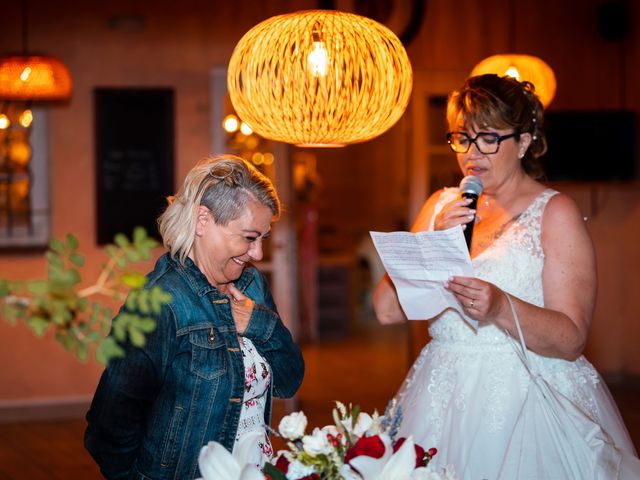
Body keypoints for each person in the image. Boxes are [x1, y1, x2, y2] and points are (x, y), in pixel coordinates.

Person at [372, 74, 640, 479]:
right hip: (442, 388)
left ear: (525, 141)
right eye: (463, 138)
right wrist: (431, 242)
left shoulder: (555, 212)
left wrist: (499, 306)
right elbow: (386, 311)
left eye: (489, 138)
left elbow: (571, 339)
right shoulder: (440, 204)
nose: (472, 153)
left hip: (527, 395)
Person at [85, 155, 305, 479]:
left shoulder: (251, 284)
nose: (258, 253)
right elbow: (108, 430)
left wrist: (259, 323)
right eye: (249, 237)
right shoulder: (159, 303)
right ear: (203, 220)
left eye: (263, 239)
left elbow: (289, 381)